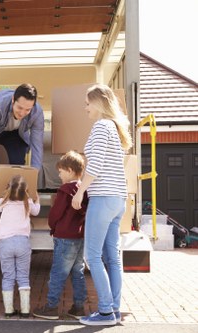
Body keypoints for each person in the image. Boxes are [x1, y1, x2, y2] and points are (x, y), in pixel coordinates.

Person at [71, 84, 133, 326]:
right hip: (118, 200)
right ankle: (114, 309)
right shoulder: (115, 129)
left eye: (87, 103)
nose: (85, 107)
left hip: (103, 198)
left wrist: (80, 192)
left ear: (98, 102)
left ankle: (105, 311)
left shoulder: (100, 127)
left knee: (92, 256)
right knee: (112, 258)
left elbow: (94, 166)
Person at [32, 150, 89, 320]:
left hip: (64, 237)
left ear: (70, 171)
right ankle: (78, 308)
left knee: (58, 273)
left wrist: (52, 225)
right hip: (79, 237)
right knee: (78, 272)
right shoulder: (83, 190)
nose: (59, 173)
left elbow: (55, 214)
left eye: (61, 170)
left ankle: (51, 308)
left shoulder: (65, 190)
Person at [0, 83, 45, 196]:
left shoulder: (37, 112)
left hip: (16, 134)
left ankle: (14, 199)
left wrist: (33, 180)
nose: (22, 113)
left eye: (27, 110)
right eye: (19, 108)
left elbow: (37, 145)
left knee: (17, 163)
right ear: (13, 100)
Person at [0, 175, 41, 318]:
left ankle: (9, 310)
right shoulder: (28, 202)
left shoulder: (3, 202)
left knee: (8, 277)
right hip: (23, 243)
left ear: (7, 189)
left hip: (6, 243)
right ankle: (25, 311)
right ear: (26, 191)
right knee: (23, 277)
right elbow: (37, 211)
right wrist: (37, 198)